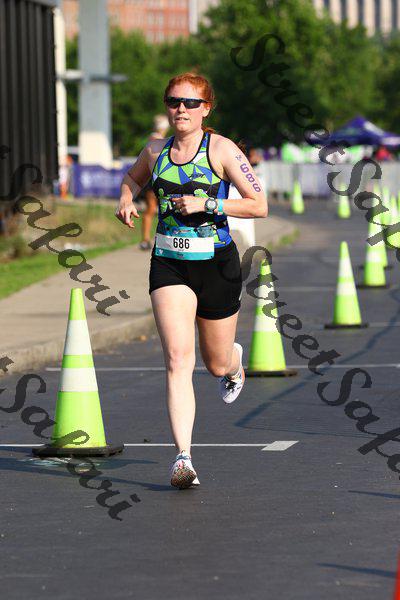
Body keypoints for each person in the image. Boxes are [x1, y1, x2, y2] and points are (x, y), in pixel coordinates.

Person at [115, 72, 268, 489]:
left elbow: (259, 205)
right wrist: (126, 198)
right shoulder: (154, 151)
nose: (180, 109)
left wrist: (209, 203)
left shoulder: (222, 150)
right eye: (173, 101)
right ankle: (183, 457)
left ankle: (234, 363)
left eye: (190, 102)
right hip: (169, 264)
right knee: (178, 360)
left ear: (206, 109)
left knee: (215, 363)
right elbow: (131, 178)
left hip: (216, 265)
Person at [139, 115, 170, 250]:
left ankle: (151, 238)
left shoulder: (158, 138)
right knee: (151, 209)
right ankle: (145, 239)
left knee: (157, 209)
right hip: (154, 179)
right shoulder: (156, 139)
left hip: (157, 178)